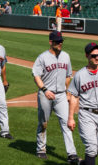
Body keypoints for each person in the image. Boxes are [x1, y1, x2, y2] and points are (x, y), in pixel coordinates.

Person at [32, 31, 80, 163]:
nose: (60, 43)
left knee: (67, 123)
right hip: (45, 94)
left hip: (61, 96)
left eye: (61, 41)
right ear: (50, 42)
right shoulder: (42, 57)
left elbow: (68, 75)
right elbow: (36, 75)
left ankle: (72, 153)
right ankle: (41, 149)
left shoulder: (66, 56)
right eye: (57, 41)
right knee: (43, 123)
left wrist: (68, 93)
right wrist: (44, 89)